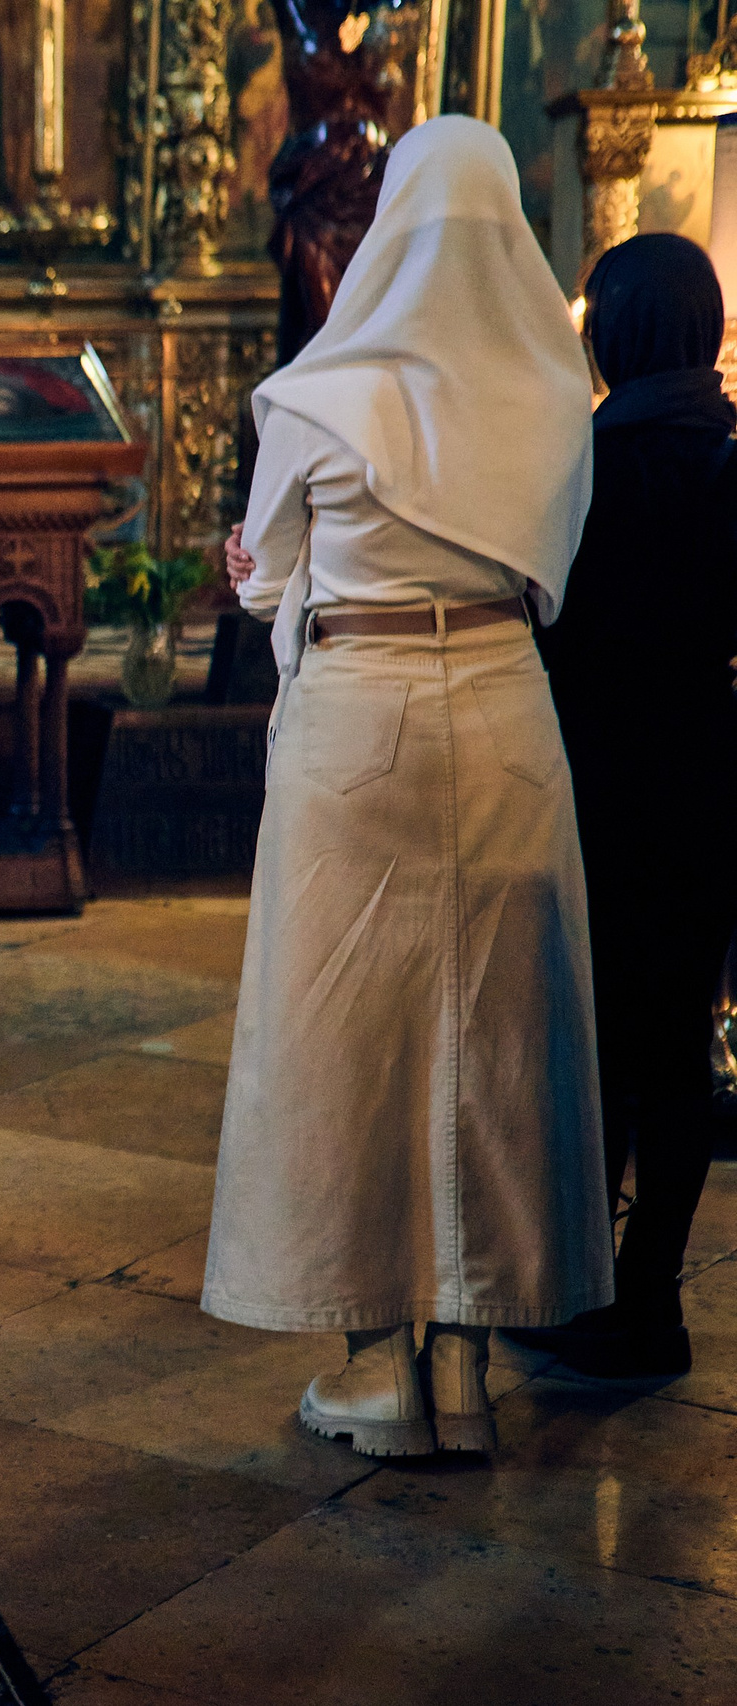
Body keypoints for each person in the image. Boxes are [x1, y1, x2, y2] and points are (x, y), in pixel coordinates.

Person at [207, 117, 610, 1458]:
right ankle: (469, 1368)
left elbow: (265, 572)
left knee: (348, 1041)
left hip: (359, 714)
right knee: (497, 1037)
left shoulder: (325, 396)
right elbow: (555, 569)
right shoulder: (558, 391)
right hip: (505, 709)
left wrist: (275, 578)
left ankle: (375, 1364)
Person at [516, 233, 737, 1378]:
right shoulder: (728, 454)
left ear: (611, 331)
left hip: (596, 776)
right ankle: (653, 1295)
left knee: (599, 1041)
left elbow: (541, 619)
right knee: (679, 1043)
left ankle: (593, 1291)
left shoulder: (581, 465)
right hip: (707, 775)